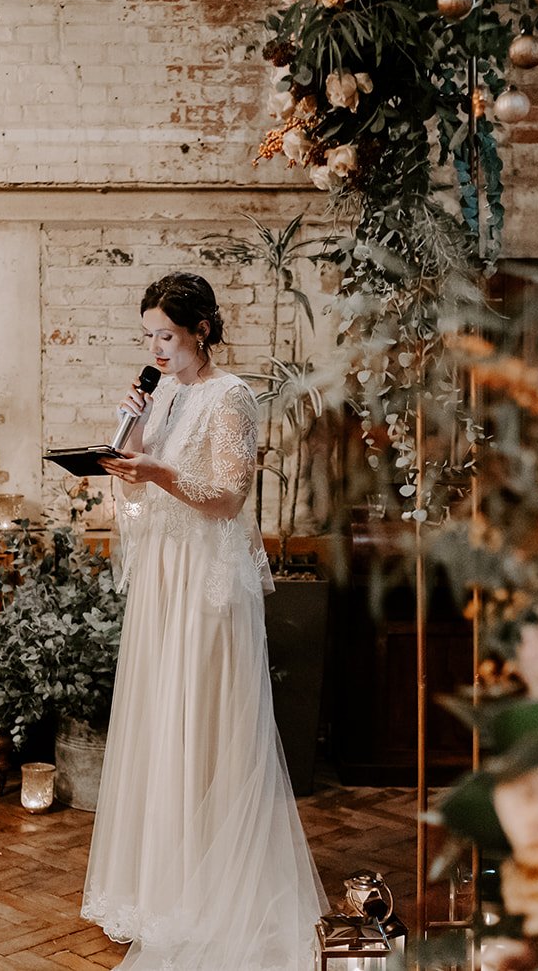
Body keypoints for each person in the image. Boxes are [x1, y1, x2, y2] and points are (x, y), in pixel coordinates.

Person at [82, 272, 327, 969]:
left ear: (202, 331)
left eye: (166, 334)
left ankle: (210, 886)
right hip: (164, 578)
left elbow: (225, 495)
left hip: (205, 586)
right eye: (148, 336)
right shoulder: (164, 395)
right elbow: (136, 486)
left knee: (204, 720)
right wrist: (128, 431)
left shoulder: (232, 396)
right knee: (163, 719)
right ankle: (164, 884)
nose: (156, 348)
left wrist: (154, 472)